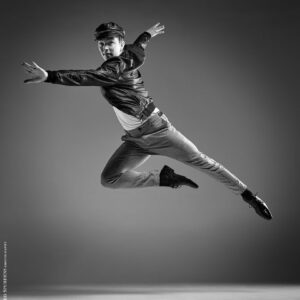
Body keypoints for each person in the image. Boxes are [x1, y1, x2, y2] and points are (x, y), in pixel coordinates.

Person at [22, 22, 272, 220]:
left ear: (120, 42)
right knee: (109, 179)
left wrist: (50, 76)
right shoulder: (129, 55)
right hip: (136, 141)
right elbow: (137, 48)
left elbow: (91, 77)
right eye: (101, 44)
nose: (105, 48)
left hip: (159, 132)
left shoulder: (115, 68)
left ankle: (249, 196)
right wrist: (145, 36)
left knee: (205, 163)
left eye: (110, 43)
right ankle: (164, 178)